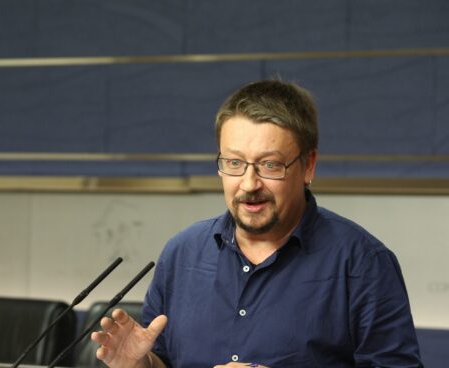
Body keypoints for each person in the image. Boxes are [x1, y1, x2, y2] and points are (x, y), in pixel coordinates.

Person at [91, 79, 423, 367]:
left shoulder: (363, 263)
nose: (249, 184)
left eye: (269, 165)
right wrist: (141, 364)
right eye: (234, 162)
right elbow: (164, 360)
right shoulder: (181, 254)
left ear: (308, 166)